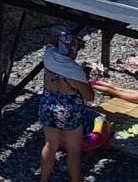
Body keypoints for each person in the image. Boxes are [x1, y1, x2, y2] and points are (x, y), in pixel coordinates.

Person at [38, 31, 96, 182]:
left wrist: (63, 37)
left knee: (50, 146)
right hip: (69, 112)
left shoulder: (49, 57)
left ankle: (43, 179)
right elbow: (89, 97)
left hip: (48, 107)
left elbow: (52, 41)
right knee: (73, 151)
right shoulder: (75, 70)